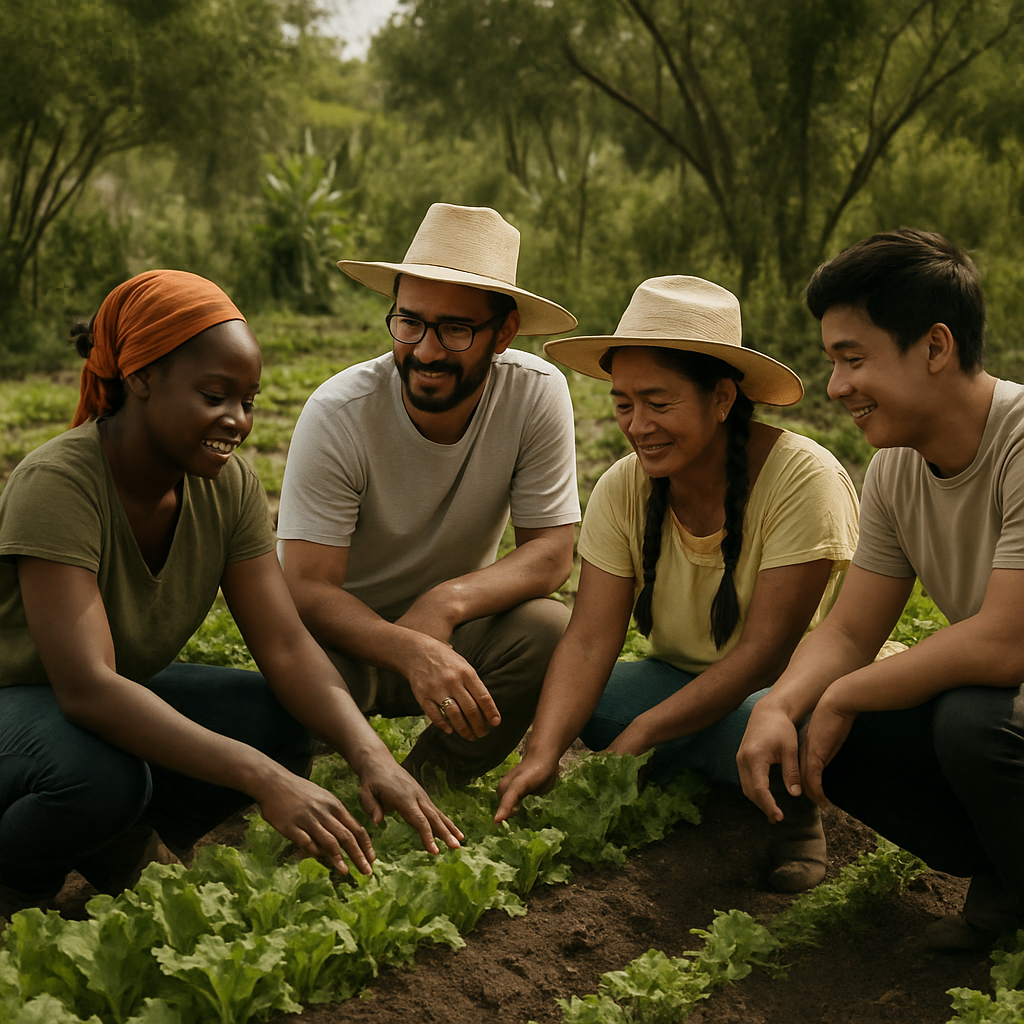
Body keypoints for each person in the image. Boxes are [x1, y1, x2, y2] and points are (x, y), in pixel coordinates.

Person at [0, 270, 462, 922]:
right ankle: (17, 882)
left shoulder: (226, 485)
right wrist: (263, 778)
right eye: (215, 396)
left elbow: (285, 643)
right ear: (141, 378)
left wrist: (373, 757)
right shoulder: (60, 483)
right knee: (102, 775)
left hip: (87, 711)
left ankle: (120, 844)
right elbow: (88, 689)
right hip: (16, 712)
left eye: (248, 400)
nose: (237, 421)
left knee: (275, 716)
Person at [495, 276, 860, 892]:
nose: (638, 426)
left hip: (790, 698)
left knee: (775, 730)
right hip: (684, 683)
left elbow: (764, 654)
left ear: (722, 398)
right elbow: (586, 641)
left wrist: (647, 731)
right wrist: (542, 752)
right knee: (596, 699)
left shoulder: (802, 479)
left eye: (659, 404)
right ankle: (711, 763)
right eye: (623, 404)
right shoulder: (624, 487)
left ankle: (794, 816)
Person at [736, 228, 1024, 949]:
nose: (836, 388)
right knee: (806, 722)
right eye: (833, 361)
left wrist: (846, 692)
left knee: (971, 722)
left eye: (853, 359)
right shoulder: (899, 465)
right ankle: (1005, 880)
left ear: (935, 347)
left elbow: (1005, 642)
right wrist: (779, 705)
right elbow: (849, 632)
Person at [277, 203, 581, 785]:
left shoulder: (536, 395)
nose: (426, 350)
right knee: (272, 690)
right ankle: (321, 750)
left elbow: (552, 553)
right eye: (409, 321)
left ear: (505, 333)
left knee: (547, 630)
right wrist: (405, 649)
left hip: (457, 636)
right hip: (343, 645)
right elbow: (306, 587)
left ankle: (429, 781)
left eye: (456, 329)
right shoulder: (339, 413)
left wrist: (445, 604)